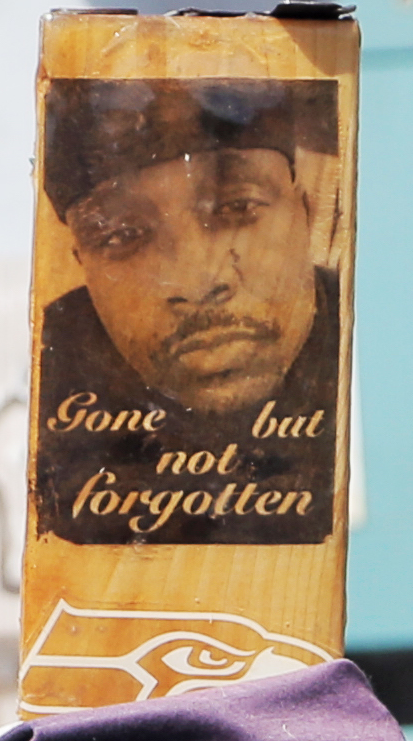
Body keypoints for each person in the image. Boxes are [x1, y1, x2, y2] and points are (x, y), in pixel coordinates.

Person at [33, 76, 342, 545]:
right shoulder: (49, 365)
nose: (199, 282)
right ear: (84, 266)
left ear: (306, 213)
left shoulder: (377, 341)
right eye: (121, 236)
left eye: (238, 206)